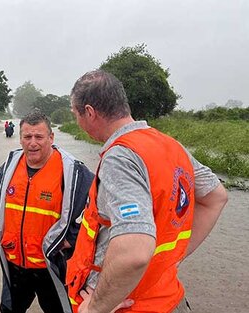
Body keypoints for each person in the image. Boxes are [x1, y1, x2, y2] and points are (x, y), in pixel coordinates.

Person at [66, 70, 228, 313]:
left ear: (89, 112)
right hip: (168, 296)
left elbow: (134, 253)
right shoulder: (171, 146)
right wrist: (172, 258)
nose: (77, 121)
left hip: (130, 306)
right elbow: (216, 197)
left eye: (75, 114)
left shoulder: (120, 158)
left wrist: (96, 307)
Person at [0, 110, 94, 313]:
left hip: (53, 266)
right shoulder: (10, 166)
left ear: (51, 137)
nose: (33, 143)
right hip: (15, 264)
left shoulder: (73, 172)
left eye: (39, 137)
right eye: (27, 137)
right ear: (20, 138)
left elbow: (94, 209)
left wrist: (73, 238)